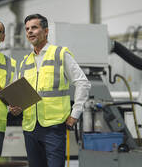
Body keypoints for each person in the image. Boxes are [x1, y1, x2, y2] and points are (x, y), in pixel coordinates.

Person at [11, 14, 91, 167]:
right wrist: (14, 107)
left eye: (34, 27)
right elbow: (18, 93)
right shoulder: (25, 62)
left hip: (53, 128)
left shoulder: (60, 54)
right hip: (30, 128)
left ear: (46, 31)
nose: (30, 32)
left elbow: (83, 83)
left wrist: (75, 114)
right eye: (27, 29)